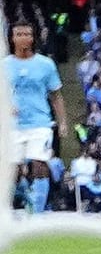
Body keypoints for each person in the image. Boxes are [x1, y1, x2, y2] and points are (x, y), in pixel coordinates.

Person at [6, 21, 66, 215]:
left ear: (33, 38)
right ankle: (13, 206)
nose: (23, 37)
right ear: (12, 38)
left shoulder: (45, 65)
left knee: (39, 165)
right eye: (19, 34)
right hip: (12, 126)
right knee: (12, 169)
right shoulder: (4, 66)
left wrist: (62, 121)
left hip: (40, 123)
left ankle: (37, 213)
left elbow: (56, 95)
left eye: (27, 34)